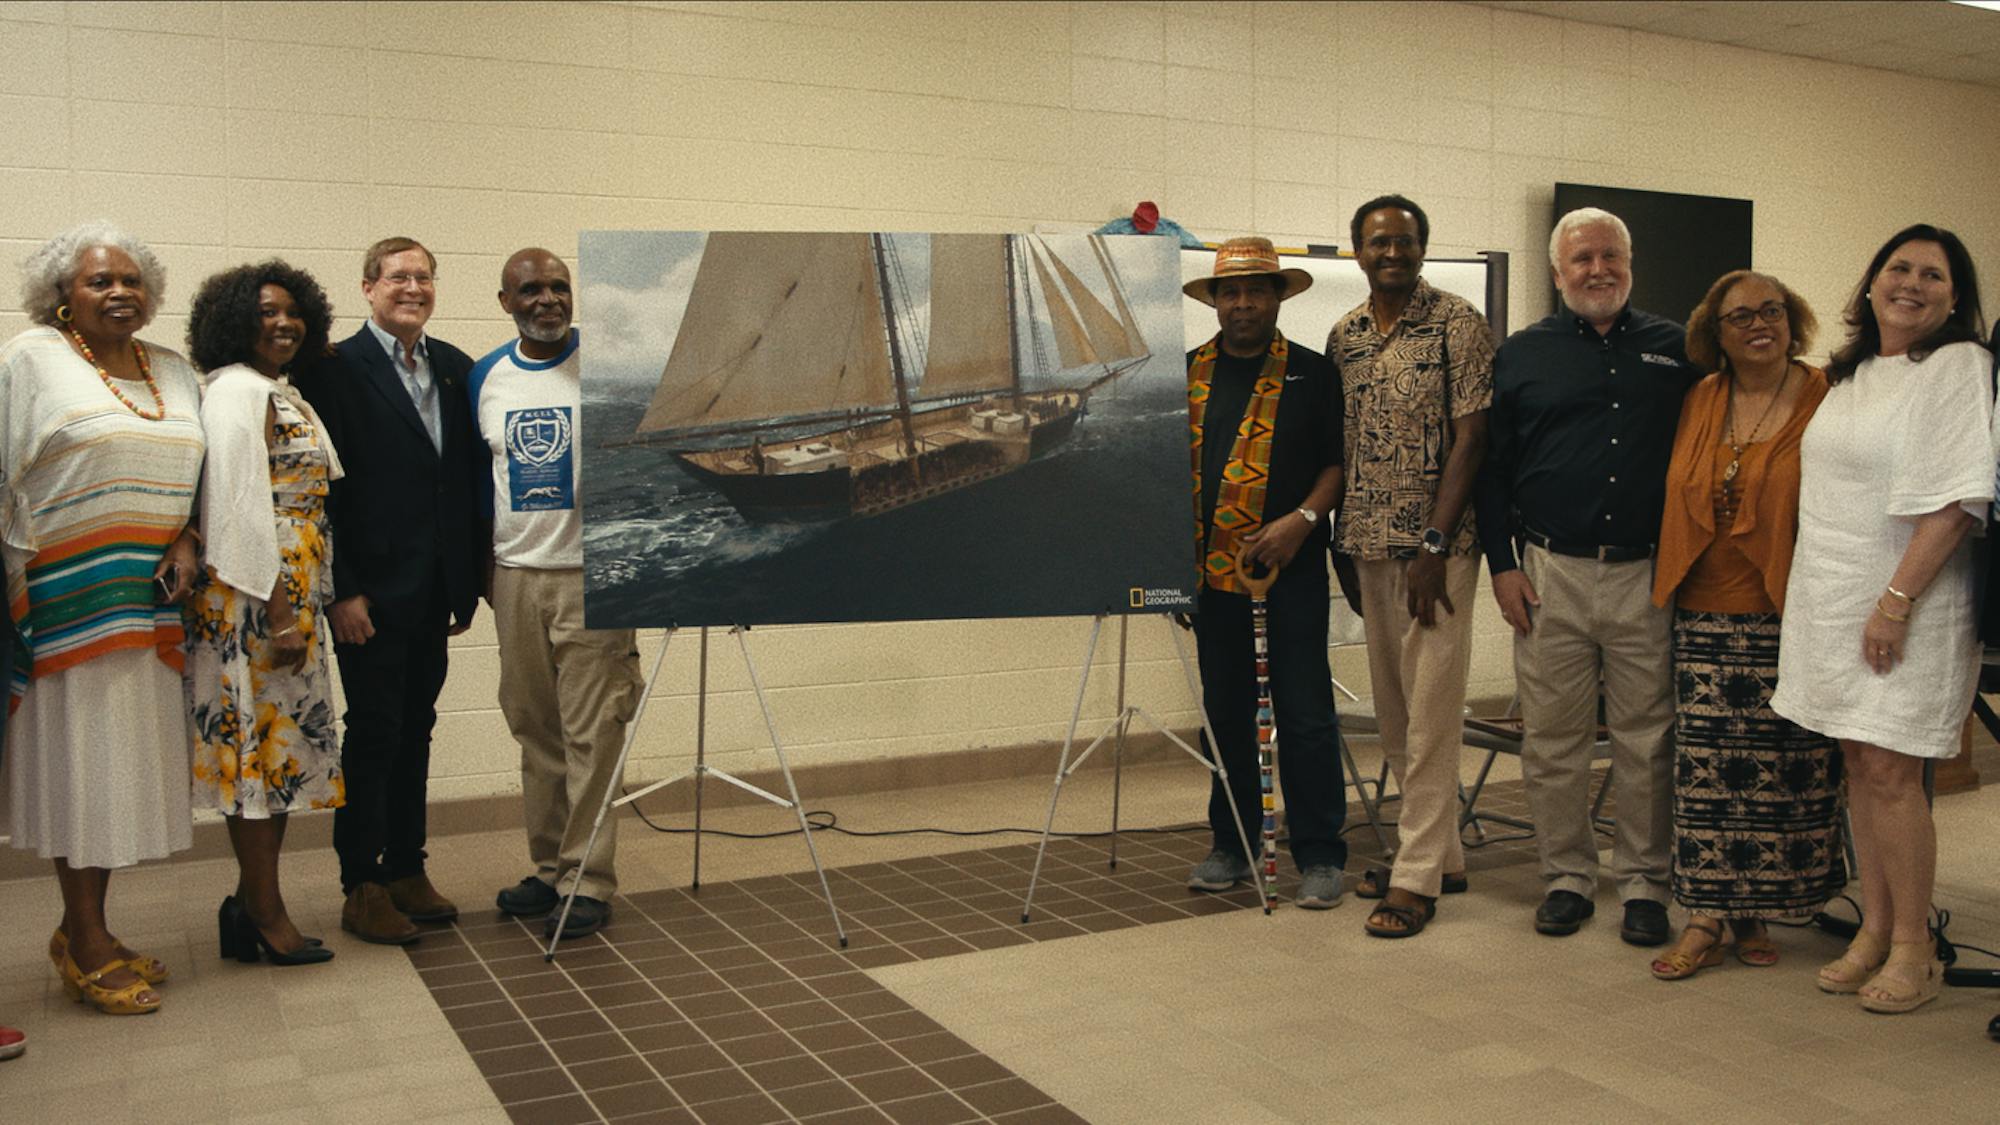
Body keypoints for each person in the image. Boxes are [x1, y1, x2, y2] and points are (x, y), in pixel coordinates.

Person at [1771, 225, 1993, 1014]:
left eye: (1933, 275)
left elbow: (1957, 501)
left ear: (1955, 297)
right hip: (1832, 598)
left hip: (1909, 603)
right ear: (1871, 283)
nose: (1912, 283)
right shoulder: (1852, 372)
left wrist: (1895, 602)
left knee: (1896, 775)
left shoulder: (1959, 367)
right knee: (1859, 769)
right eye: (1898, 268)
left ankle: (1914, 946)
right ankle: (1877, 923)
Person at [1473, 207, 1696, 946]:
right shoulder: (1521, 355)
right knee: (1554, 740)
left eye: (1610, 257)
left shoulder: (1677, 349)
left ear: (1630, 264)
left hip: (1646, 576)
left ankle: (1642, 884)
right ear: (1557, 271)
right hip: (1548, 573)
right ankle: (1566, 876)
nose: (1597, 270)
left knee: (1646, 739)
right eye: (1582, 260)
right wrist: (1503, 566)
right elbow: (1491, 471)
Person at [0, 221, 204, 1014]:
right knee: (79, 773)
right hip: (62, 602)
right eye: (98, 281)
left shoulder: (176, 371)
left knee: (119, 776)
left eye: (131, 280)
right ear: (61, 295)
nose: (120, 292)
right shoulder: (30, 359)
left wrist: (188, 533)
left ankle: (89, 924)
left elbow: (195, 473)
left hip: (148, 609)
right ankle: (84, 939)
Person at [1646, 270, 1844, 980]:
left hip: (1791, 611)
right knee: (1705, 778)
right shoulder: (1701, 396)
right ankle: (1704, 915)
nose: (1759, 323)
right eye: (1740, 317)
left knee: (1782, 773)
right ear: (1715, 333)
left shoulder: (1827, 395)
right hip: (1703, 614)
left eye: (1773, 310)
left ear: (1793, 321)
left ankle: (1756, 908)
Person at [295, 237, 485, 945]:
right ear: (368, 288)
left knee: (417, 728)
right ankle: (363, 884)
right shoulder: (334, 371)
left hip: (432, 591)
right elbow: (323, 491)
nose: (413, 287)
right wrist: (341, 591)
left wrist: (463, 583)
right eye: (399, 276)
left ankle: (408, 867)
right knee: (374, 733)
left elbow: (457, 483)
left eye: (424, 276)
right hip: (368, 597)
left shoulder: (456, 369)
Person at [1326, 194, 1493, 938]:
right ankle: (1444, 853)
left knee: (1429, 714)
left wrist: (1434, 540)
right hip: (1364, 540)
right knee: (1394, 712)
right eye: (1376, 241)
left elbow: (1472, 439)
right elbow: (1344, 443)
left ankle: (1415, 875)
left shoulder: (1459, 323)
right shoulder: (1345, 335)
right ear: (1356, 250)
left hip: (1438, 552)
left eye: (1403, 240)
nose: (1390, 251)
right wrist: (1336, 537)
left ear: (1424, 245)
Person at [472, 249, 642, 940]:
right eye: (531, 289)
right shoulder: (485, 375)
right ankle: (547, 869)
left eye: (559, 287)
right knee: (534, 729)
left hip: (589, 576)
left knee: (591, 735)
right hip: (514, 576)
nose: (548, 299)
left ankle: (587, 877)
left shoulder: (604, 371)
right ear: (506, 300)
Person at [184, 261, 346, 967]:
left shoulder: (279, 390)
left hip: (289, 597)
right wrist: (281, 614)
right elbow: (237, 515)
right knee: (255, 762)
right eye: (264, 313)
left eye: (291, 311)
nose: (282, 323)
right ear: (231, 325)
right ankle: (265, 912)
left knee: (276, 763)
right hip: (255, 603)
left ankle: (251, 903)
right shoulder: (234, 393)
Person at [1181, 237, 1348, 908]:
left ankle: (1320, 852)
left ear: (1279, 297)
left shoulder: (1314, 374)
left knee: (1305, 713)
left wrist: (1300, 521)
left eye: (1257, 290)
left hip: (1292, 576)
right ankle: (1233, 841)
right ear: (1215, 301)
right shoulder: (1186, 374)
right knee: (1225, 714)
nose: (1243, 302)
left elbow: (1337, 465)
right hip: (1209, 582)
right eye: (1230, 291)